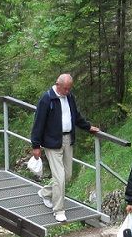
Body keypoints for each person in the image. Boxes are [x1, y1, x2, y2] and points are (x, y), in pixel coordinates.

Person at [30, 73, 100, 223]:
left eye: (69, 88)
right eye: (65, 88)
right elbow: (38, 122)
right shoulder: (47, 98)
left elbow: (76, 116)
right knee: (59, 177)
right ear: (58, 84)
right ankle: (59, 210)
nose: (67, 91)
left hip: (67, 139)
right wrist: (36, 145)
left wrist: (88, 127)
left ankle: (44, 192)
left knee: (66, 175)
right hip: (51, 142)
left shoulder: (69, 97)